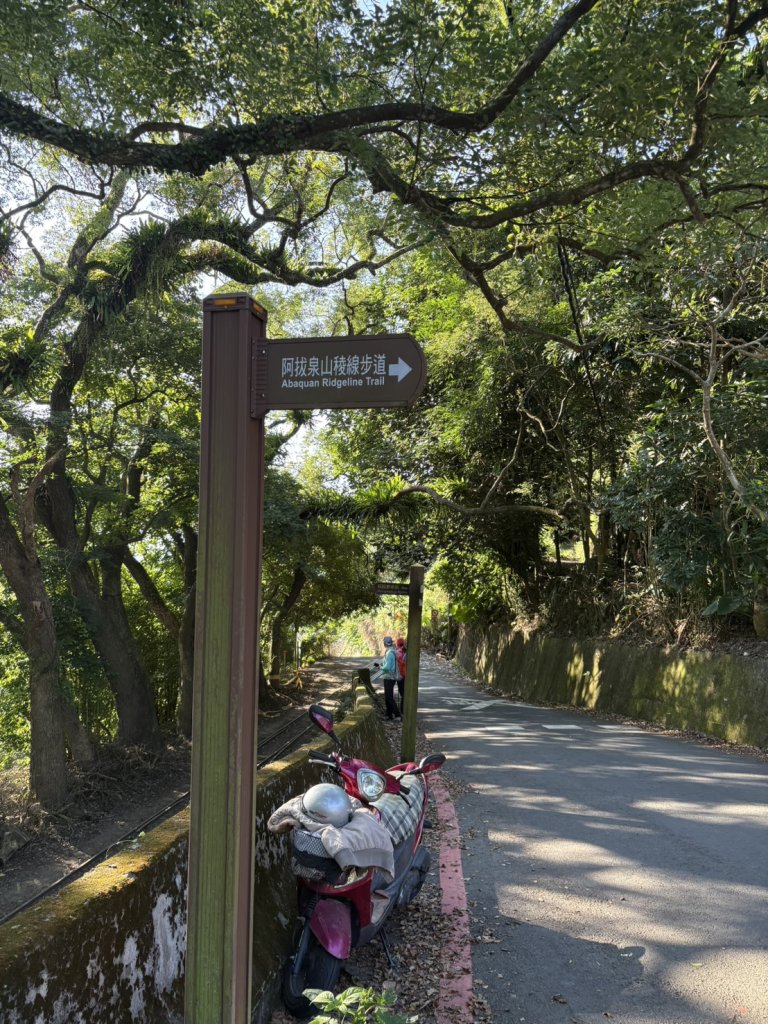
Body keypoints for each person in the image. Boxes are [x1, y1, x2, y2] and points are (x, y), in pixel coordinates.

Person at [380, 636, 401, 720]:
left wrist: (381, 667)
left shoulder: (389, 653)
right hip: (390, 676)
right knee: (388, 696)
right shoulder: (392, 651)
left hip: (389, 677)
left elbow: (388, 667)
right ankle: (389, 714)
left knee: (389, 697)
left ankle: (397, 714)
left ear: (384, 643)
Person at [394, 637, 407, 715]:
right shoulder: (404, 652)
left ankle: (402, 711)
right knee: (404, 694)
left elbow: (400, 664)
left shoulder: (397, 652)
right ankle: (403, 710)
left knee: (403, 694)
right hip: (404, 675)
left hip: (400, 676)